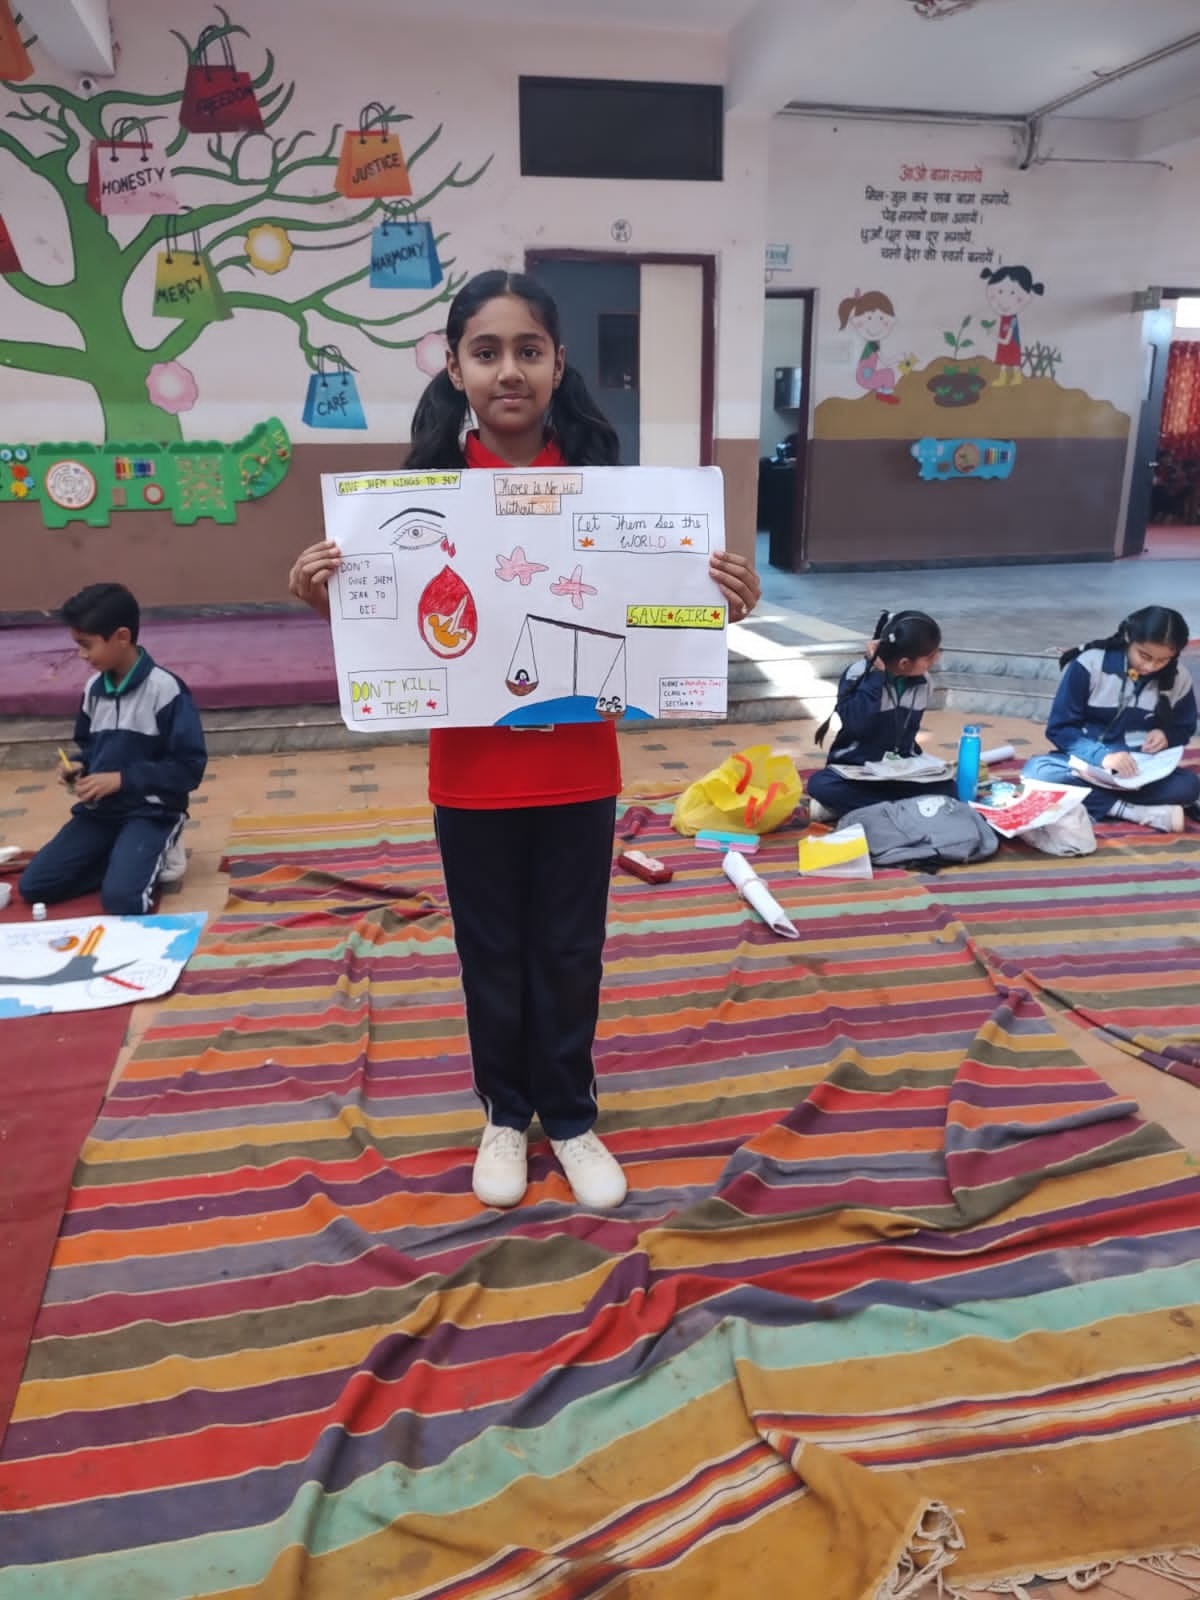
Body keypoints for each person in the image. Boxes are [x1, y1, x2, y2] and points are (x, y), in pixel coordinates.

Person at [288, 269, 761, 1212]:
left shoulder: (612, 495)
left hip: (579, 774)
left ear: (558, 363)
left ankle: (571, 1116)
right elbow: (393, 630)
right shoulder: (408, 503)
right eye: (487, 351)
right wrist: (325, 594)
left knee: (572, 951)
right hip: (470, 780)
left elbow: (655, 622)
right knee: (492, 953)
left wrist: (717, 604)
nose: (509, 370)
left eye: (528, 351)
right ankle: (506, 1114)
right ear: (454, 367)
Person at [19, 582, 206, 915]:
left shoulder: (166, 691)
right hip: (101, 813)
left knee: (123, 900)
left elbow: (189, 769)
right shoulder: (94, 688)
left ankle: (158, 850)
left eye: (86, 645)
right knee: (35, 886)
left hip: (151, 811)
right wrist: (80, 765)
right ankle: (124, 858)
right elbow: (90, 746)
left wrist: (122, 779)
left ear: (121, 637)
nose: (81, 655)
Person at [1023, 606, 1199, 832]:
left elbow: (1184, 727)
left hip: (1140, 771)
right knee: (1038, 773)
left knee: (1189, 786)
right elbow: (1060, 729)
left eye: (1162, 660)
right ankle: (1133, 811)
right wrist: (1103, 757)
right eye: (1144, 656)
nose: (1150, 667)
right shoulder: (1090, 665)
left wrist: (1167, 736)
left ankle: (1100, 802)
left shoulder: (1178, 678)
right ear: (1128, 638)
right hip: (1088, 765)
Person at [806, 609, 954, 821]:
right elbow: (856, 724)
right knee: (821, 785)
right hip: (858, 770)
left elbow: (908, 732)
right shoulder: (858, 674)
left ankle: (866, 810)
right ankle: (904, 810)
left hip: (902, 770)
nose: (936, 658)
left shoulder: (924, 681)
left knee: (949, 789)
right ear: (904, 663)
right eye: (930, 656)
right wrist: (876, 677)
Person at [980, 263, 1045, 387]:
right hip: (1004, 344)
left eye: (1012, 293)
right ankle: (1003, 378)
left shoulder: (1012, 320)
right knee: (1003, 362)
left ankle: (1016, 377)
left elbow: (1007, 339)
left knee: (1013, 362)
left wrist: (995, 337)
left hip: (1011, 344)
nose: (1003, 300)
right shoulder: (1004, 318)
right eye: (1000, 291)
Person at [837, 288, 901, 405]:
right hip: (866, 377)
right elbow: (885, 361)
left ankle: (881, 394)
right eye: (869, 318)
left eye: (881, 318)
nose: (875, 324)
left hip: (864, 375)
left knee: (886, 374)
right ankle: (884, 395)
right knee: (889, 374)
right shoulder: (873, 344)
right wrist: (898, 358)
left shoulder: (872, 343)